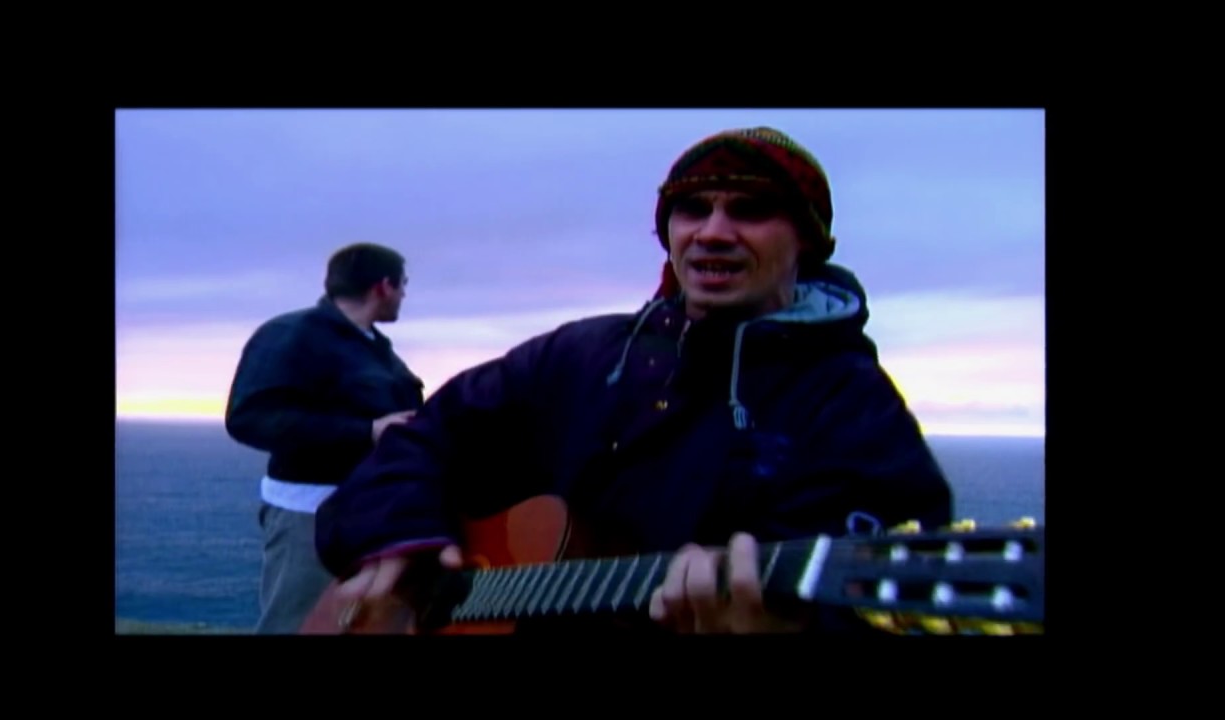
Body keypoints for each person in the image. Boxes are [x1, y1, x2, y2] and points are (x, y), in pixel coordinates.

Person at [313, 127, 954, 634]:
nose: (713, 232)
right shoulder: (583, 354)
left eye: (751, 210)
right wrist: (400, 539)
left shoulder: (852, 404)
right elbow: (426, 436)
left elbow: (874, 603)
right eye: (692, 209)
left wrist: (795, 626)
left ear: (807, 241)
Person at [225, 242, 425, 634]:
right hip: (309, 518)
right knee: (298, 623)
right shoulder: (289, 335)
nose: (404, 294)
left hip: (375, 511)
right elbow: (249, 418)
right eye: (403, 284)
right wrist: (367, 431)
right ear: (383, 286)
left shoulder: (375, 348)